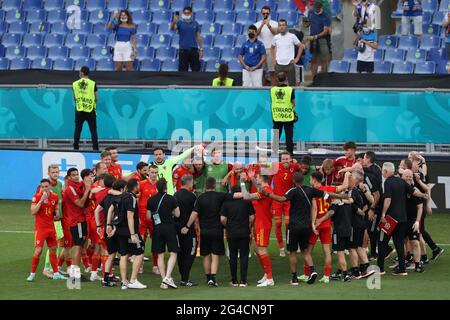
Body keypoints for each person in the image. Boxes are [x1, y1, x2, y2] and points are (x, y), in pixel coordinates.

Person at [263, 172, 343, 286]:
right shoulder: (310, 190)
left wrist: (268, 194)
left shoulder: (293, 191)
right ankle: (312, 270)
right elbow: (327, 194)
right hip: (306, 226)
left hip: (294, 226)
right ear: (303, 180)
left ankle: (294, 278)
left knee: (292, 252)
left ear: (294, 181)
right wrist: (342, 196)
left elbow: (281, 199)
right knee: (305, 250)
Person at [181, 177, 240, 287]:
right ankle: (213, 278)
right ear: (214, 185)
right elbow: (235, 195)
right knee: (215, 255)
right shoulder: (220, 196)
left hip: (204, 231)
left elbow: (194, 214)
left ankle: (208, 278)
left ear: (205, 186)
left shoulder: (200, 198)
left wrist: (187, 226)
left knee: (206, 255)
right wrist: (253, 194)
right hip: (217, 230)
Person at [377, 162, 427, 276]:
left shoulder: (388, 182)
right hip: (402, 218)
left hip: (390, 219)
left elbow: (388, 200)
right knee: (399, 243)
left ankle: (380, 269)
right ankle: (402, 269)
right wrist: (424, 195)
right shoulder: (401, 181)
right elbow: (414, 192)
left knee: (382, 242)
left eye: (382, 172)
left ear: (385, 172)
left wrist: (383, 214)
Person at [303, 171, 349, 284]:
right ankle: (326, 276)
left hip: (316, 223)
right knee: (327, 251)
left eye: (310, 179)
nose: (310, 181)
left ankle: (306, 274)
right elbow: (344, 186)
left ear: (314, 179)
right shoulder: (329, 188)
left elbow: (314, 209)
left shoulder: (312, 191)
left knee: (308, 250)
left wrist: (314, 223)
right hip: (327, 223)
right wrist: (347, 174)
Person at [27, 179, 67, 281]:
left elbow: (56, 206)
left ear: (50, 187)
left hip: (51, 227)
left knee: (53, 249)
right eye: (42, 187)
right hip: (40, 228)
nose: (44, 188)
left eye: (46, 186)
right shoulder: (36, 197)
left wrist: (57, 213)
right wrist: (41, 200)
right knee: (38, 250)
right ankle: (32, 274)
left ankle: (56, 273)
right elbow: (33, 212)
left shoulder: (54, 196)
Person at [240, 174, 274, 287]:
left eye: (257, 177)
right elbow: (258, 187)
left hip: (263, 224)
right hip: (259, 223)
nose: (255, 179)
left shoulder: (265, 191)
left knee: (262, 249)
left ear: (262, 179)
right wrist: (252, 177)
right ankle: (266, 273)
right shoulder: (264, 189)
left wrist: (242, 182)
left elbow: (246, 196)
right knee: (256, 248)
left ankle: (270, 278)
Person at [113, 179, 147, 289]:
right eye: (138, 185)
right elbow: (130, 216)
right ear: (135, 186)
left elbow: (112, 210)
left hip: (120, 230)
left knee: (124, 255)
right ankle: (133, 280)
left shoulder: (121, 196)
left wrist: (111, 226)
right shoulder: (131, 198)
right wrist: (133, 234)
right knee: (140, 252)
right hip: (129, 231)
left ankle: (124, 281)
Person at [147, 178, 180, 289]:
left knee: (159, 255)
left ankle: (163, 280)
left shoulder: (151, 200)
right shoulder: (172, 199)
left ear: (156, 187)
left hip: (157, 229)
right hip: (170, 228)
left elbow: (148, 216)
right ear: (166, 187)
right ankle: (167, 276)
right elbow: (177, 214)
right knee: (173, 252)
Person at [221, 184, 255, 287]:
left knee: (233, 256)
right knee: (244, 257)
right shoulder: (247, 202)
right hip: (244, 232)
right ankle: (243, 281)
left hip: (231, 233)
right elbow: (252, 218)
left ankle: (234, 280)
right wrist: (249, 227)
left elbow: (222, 219)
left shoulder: (226, 203)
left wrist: (227, 226)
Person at [64, 168, 92, 284]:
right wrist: (87, 190)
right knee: (78, 246)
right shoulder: (70, 189)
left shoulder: (77, 185)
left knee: (81, 246)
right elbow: (80, 204)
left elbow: (85, 183)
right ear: (69, 177)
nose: (76, 177)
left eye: (77, 174)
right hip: (76, 221)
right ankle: (74, 275)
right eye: (73, 175)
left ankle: (75, 273)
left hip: (81, 220)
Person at [271, 152, 300, 256]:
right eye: (283, 159)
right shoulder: (274, 166)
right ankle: (281, 248)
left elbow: (302, 168)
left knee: (289, 224)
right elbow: (263, 169)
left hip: (288, 200)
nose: (285, 161)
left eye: (287, 159)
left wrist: (296, 163)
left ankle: (290, 245)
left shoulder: (294, 166)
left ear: (290, 159)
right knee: (278, 224)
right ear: (280, 160)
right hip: (277, 200)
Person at [98, 179, 126, 287]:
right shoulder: (121, 198)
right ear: (121, 189)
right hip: (116, 229)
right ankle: (125, 280)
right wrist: (113, 227)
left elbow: (97, 210)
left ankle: (106, 279)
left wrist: (98, 226)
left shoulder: (107, 197)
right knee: (123, 254)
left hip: (106, 228)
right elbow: (115, 213)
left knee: (111, 254)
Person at [41, 165, 65, 279]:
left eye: (57, 172)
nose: (55, 174)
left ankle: (53, 266)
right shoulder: (44, 187)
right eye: (53, 172)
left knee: (58, 242)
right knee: (54, 244)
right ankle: (47, 268)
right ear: (48, 173)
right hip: (49, 220)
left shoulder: (60, 184)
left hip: (58, 219)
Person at [174, 175, 198, 287]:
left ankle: (183, 277)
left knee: (181, 253)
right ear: (188, 183)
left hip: (177, 228)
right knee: (191, 253)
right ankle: (185, 278)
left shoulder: (175, 195)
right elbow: (194, 214)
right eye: (192, 182)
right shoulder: (192, 197)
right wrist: (188, 226)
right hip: (188, 229)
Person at [138, 164, 159, 274]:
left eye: (156, 172)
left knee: (156, 240)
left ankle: (155, 266)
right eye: (152, 172)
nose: (154, 174)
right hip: (142, 216)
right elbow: (137, 199)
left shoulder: (160, 185)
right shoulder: (141, 184)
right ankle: (140, 265)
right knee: (141, 240)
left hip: (155, 216)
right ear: (148, 173)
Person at [402, 169, 425, 273]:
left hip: (411, 221)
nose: (409, 178)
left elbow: (420, 207)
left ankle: (417, 265)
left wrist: (417, 221)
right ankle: (402, 263)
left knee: (415, 242)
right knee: (401, 242)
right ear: (402, 177)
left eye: (410, 176)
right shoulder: (398, 189)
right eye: (406, 176)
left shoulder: (415, 191)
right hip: (400, 220)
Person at [362, 151, 383, 261]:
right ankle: (375, 251)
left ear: (368, 159)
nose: (362, 160)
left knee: (372, 229)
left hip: (377, 205)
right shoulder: (376, 168)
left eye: (364, 158)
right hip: (376, 204)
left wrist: (372, 209)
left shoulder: (369, 176)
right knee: (371, 229)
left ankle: (376, 252)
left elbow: (377, 195)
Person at [72, 66, 98, 151]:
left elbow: (74, 97)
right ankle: (95, 148)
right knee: (93, 130)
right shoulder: (93, 83)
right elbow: (96, 97)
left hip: (79, 109)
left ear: (82, 73)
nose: (79, 73)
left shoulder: (75, 83)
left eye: (79, 71)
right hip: (90, 110)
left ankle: (75, 147)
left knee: (77, 130)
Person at [271, 19, 303, 86]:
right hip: (279, 64)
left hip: (289, 64)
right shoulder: (276, 37)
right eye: (280, 25)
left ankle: (291, 96)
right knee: (278, 85)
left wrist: (297, 58)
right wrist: (273, 59)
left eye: (283, 25)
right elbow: (272, 47)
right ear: (278, 27)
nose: (281, 27)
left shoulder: (292, 36)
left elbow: (301, 46)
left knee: (292, 85)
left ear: (286, 26)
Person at [171, 6, 203, 72]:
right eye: (185, 13)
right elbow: (172, 28)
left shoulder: (195, 23)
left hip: (193, 50)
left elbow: (198, 37)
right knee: (182, 71)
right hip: (183, 50)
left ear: (191, 13)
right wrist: (174, 21)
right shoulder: (179, 23)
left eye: (188, 13)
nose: (186, 14)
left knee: (196, 70)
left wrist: (201, 49)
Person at [270, 72, 296, 155]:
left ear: (277, 79)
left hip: (277, 115)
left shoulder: (272, 90)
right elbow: (293, 103)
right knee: (289, 135)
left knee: (276, 134)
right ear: (286, 79)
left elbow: (273, 100)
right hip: (287, 116)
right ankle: (290, 151)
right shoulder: (290, 90)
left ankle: (274, 151)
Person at [304, 1, 332, 76]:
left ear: (321, 8)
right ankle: (314, 79)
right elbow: (308, 22)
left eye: (317, 9)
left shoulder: (326, 16)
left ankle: (324, 79)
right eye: (315, 9)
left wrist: (315, 37)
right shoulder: (310, 12)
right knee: (313, 60)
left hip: (322, 39)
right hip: (312, 39)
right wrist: (306, 23)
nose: (316, 11)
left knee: (323, 60)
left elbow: (325, 31)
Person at [255, 5, 278, 85]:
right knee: (262, 72)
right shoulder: (257, 24)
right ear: (261, 13)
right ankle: (263, 90)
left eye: (267, 13)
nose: (265, 15)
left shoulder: (274, 23)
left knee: (272, 72)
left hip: (271, 50)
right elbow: (256, 34)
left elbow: (275, 33)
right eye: (264, 13)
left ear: (270, 13)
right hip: (261, 50)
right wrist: (262, 25)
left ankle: (273, 89)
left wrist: (268, 25)